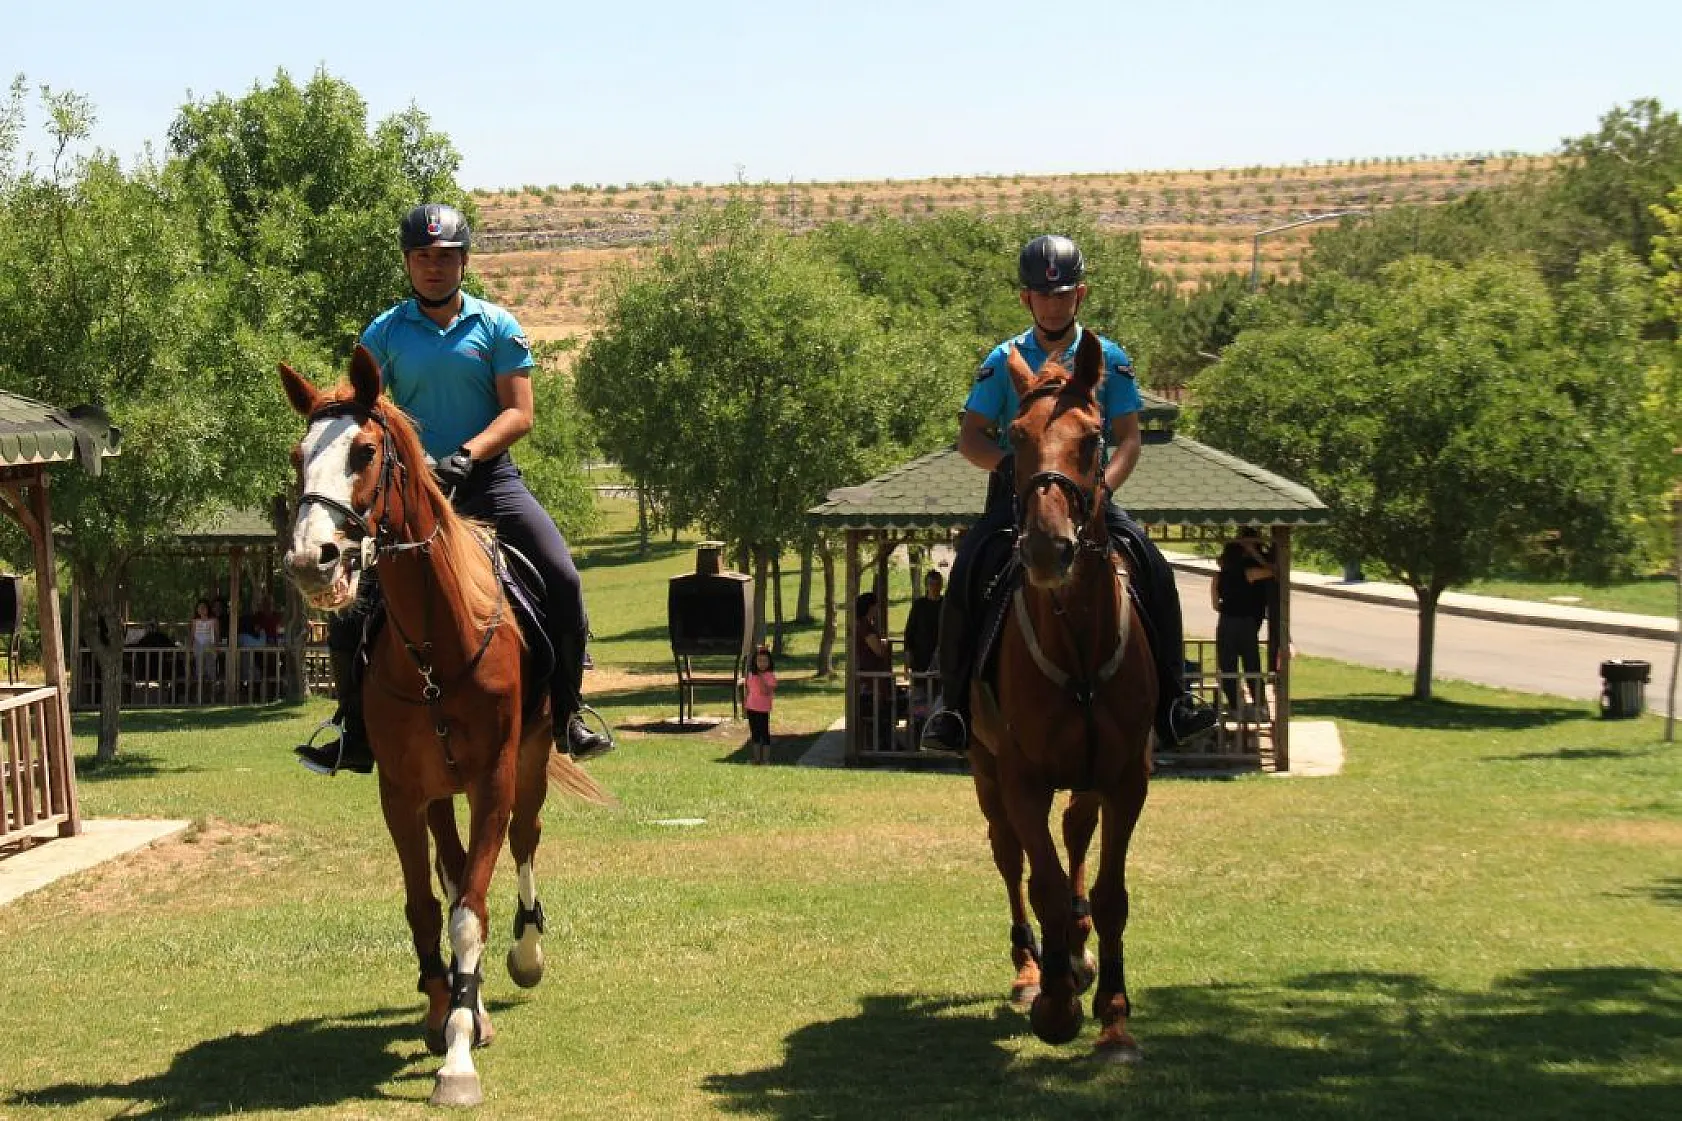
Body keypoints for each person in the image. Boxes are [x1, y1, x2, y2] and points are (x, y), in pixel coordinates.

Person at [296, 202, 612, 775]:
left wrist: (468, 455)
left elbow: (520, 413)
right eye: (421, 257)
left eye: (443, 257)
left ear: (463, 262)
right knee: (352, 602)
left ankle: (568, 711)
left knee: (561, 575)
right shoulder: (384, 332)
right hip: (410, 497)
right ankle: (353, 728)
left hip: (489, 483)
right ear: (408, 263)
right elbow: (364, 411)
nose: (432, 268)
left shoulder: (497, 326)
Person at [920, 234, 1217, 754]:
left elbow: (1128, 440)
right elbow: (970, 437)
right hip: (1017, 502)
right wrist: (1014, 469)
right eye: (1042, 295)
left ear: (1080, 295)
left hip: (1091, 501)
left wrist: (1100, 492)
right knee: (968, 566)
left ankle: (1175, 700)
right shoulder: (1003, 358)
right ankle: (952, 707)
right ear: (1026, 299)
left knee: (1155, 567)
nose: (1052, 304)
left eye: (1062, 295)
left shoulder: (1108, 356)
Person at [1212, 527, 1276, 716]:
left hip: (1225, 622)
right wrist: (1256, 553)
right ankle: (1259, 704)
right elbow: (1275, 571)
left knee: (1227, 666)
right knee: (1251, 664)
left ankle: (1234, 705)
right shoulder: (1251, 572)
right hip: (1245, 622)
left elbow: (1215, 604)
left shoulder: (1219, 575)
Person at [902, 569, 944, 738]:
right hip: (920, 661)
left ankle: (936, 731)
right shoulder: (919, 606)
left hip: (941, 662)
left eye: (937, 584)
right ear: (927, 585)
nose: (934, 587)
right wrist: (907, 659)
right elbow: (909, 634)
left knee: (939, 698)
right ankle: (916, 733)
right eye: (931, 584)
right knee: (919, 699)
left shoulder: (945, 604)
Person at [853, 591, 896, 751]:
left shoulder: (864, 626)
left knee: (883, 711)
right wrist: (885, 646)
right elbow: (878, 650)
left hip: (875, 678)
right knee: (880, 712)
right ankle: (881, 745)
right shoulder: (865, 627)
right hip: (872, 679)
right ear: (870, 608)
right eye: (875, 607)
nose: (877, 610)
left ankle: (884, 743)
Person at [743, 644, 777, 764]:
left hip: (763, 709)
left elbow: (766, 691)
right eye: (759, 660)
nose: (762, 663)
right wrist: (745, 704)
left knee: (764, 733)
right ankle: (756, 758)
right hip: (751, 707)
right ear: (755, 662)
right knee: (755, 733)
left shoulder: (770, 676)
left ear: (769, 662)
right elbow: (748, 690)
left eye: (765, 661)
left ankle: (765, 759)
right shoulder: (751, 675)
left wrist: (761, 678)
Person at [188, 599, 217, 696]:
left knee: (210, 668)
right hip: (198, 645)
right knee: (199, 670)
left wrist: (216, 646)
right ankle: (199, 695)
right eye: (200, 608)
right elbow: (192, 635)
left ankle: (212, 694)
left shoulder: (213, 620)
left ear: (208, 609)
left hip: (210, 645)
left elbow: (216, 635)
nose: (202, 610)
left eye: (204, 607)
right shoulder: (195, 621)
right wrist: (190, 649)